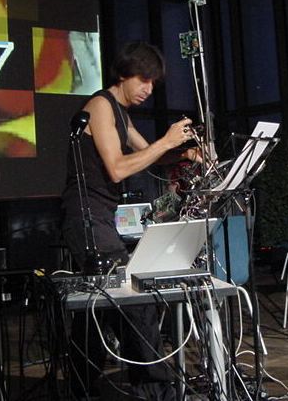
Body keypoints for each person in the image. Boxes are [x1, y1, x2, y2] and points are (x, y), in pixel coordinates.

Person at [61, 41, 199, 400]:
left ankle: (78, 384)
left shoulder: (121, 114)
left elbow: (149, 155)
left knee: (98, 305)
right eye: (143, 79)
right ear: (124, 73)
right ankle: (157, 391)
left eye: (153, 83)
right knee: (134, 301)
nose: (148, 89)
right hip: (86, 216)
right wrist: (165, 141)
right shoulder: (100, 106)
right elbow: (118, 169)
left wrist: (184, 153)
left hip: (99, 217)